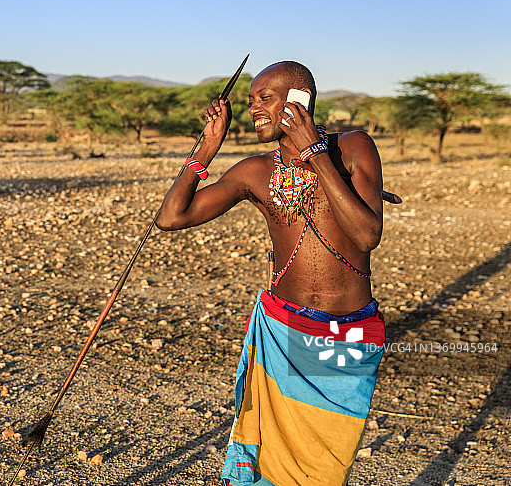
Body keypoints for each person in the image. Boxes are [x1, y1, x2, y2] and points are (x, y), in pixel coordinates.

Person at [156, 61, 386, 485]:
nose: (254, 110)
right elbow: (172, 217)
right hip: (281, 330)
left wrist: (315, 154)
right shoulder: (255, 171)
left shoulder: (353, 148)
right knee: (271, 465)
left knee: (324, 465)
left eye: (265, 98)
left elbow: (367, 234)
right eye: (250, 101)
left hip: (349, 334)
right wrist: (205, 149)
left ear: (300, 99)